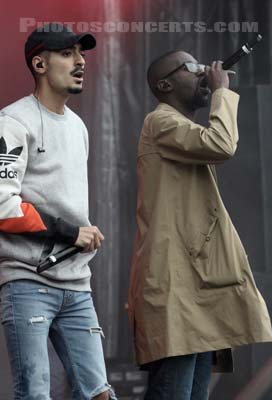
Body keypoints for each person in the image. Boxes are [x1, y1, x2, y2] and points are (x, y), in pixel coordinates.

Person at [128, 50, 272, 400]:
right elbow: (221, 144)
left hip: (193, 286)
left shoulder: (183, 131)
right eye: (192, 69)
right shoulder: (160, 122)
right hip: (173, 288)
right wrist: (221, 92)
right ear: (164, 84)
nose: (202, 74)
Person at [0, 23, 116, 399]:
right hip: (27, 284)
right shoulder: (13, 122)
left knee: (99, 394)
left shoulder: (79, 127)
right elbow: (2, 207)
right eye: (67, 54)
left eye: (81, 54)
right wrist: (71, 232)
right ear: (39, 63)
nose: (80, 62)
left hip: (77, 285)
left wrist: (81, 232)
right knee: (35, 394)